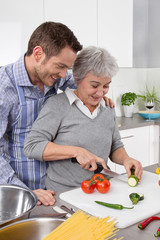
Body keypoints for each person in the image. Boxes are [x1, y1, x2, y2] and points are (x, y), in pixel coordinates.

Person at [23, 46, 143, 193]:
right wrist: (76, 152)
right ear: (77, 78)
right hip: (65, 194)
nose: (100, 92)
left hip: (103, 189)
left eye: (106, 86)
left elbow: (115, 145)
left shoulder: (107, 107)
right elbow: (32, 146)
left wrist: (126, 159)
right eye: (94, 85)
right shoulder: (57, 105)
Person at [0, 21, 83, 206]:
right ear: (38, 54)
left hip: (56, 187)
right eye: (60, 66)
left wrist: (98, 93)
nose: (63, 75)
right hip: (23, 192)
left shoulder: (52, 77)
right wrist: (22, 191)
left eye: (66, 68)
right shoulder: (4, 88)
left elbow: (82, 83)